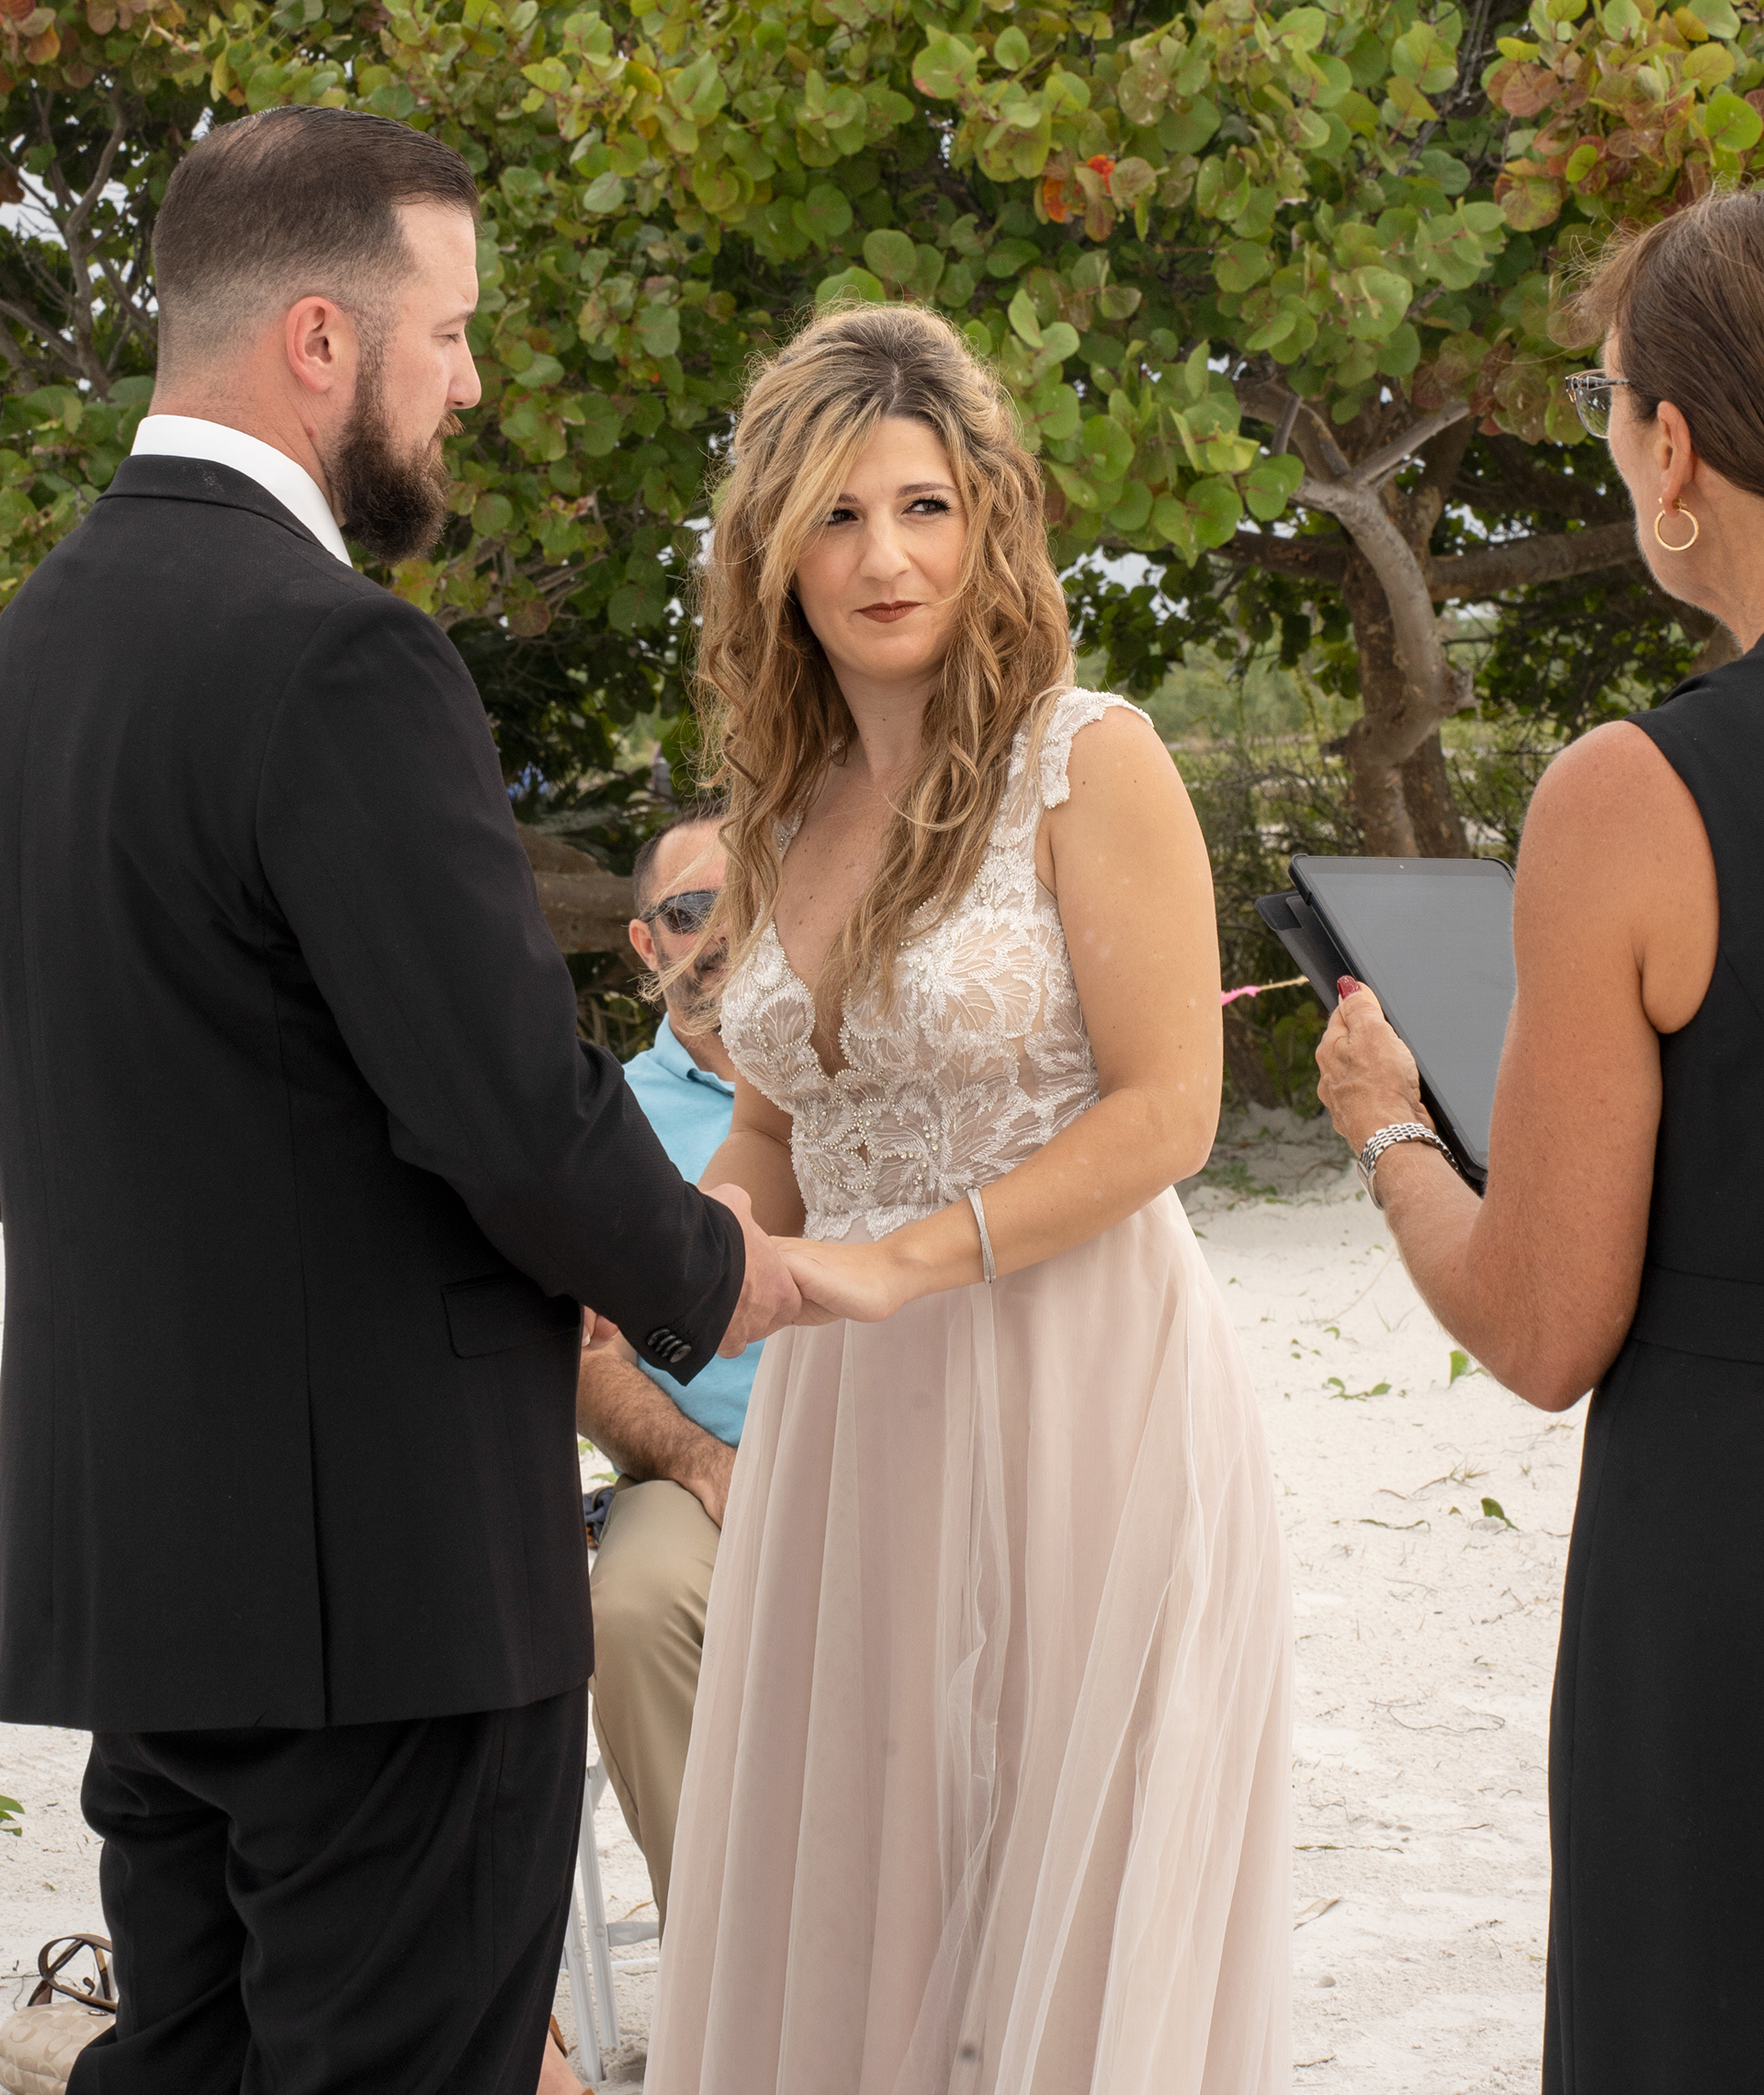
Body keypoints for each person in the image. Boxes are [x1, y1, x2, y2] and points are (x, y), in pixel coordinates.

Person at [0, 105, 797, 2095]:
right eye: (450, 332)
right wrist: (719, 1271)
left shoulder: (36, 650)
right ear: (323, 340)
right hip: (381, 1590)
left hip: (144, 1566)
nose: (471, 383)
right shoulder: (340, 659)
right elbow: (506, 1110)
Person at [644, 306, 1292, 2095]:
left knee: (1055, 1911)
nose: (886, 559)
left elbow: (1171, 1110)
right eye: (839, 518)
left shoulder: (1091, 758)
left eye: (924, 507)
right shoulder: (781, 814)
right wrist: (703, 1234)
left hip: (1083, 1394)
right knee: (871, 1901)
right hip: (853, 1431)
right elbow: (772, 1128)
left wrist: (894, 1265)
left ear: (989, 519)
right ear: (776, 553)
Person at [1314, 184, 1764, 2094]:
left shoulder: (1638, 797)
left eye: (1605, 400)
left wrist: (1391, 1135)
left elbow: (1544, 1322)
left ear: (1675, 449)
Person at [575, 806, 756, 1932]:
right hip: (697, 1473)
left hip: (897, 1445)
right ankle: (729, 1967)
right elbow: (584, 1356)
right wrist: (700, 1462)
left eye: (752, 897)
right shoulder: (606, 1122)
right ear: (647, 942)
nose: (724, 933)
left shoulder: (874, 1072)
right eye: (692, 912)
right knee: (634, 1610)